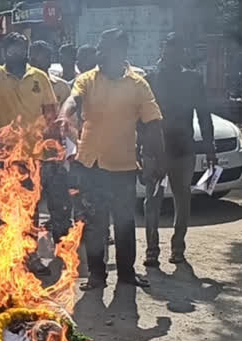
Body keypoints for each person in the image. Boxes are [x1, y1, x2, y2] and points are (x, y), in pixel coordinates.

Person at [58, 28, 165, 290]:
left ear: (121, 52)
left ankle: (127, 274)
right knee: (95, 224)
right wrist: (64, 115)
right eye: (102, 49)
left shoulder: (138, 85)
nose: (103, 54)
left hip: (124, 167)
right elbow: (74, 99)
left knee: (126, 223)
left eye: (111, 49)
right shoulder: (87, 79)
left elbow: (152, 124)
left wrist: (158, 160)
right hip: (91, 165)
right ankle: (97, 275)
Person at [0, 23, 69, 267]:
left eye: (21, 49)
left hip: (33, 156)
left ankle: (30, 256)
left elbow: (51, 116)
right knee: (2, 207)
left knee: (30, 209)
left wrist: (55, 149)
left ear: (26, 50)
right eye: (11, 49)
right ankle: (3, 258)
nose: (16, 53)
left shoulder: (39, 77)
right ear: (4, 50)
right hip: (4, 155)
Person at [143, 33, 215, 267]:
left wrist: (210, 147)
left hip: (183, 148)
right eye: (169, 48)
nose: (173, 54)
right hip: (155, 150)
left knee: (182, 199)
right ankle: (152, 250)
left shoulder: (193, 80)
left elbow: (204, 115)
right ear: (163, 49)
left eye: (178, 49)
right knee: (152, 200)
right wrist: (139, 145)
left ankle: (178, 248)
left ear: (183, 53)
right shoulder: (150, 78)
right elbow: (139, 116)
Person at [30, 40, 71, 105]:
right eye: (33, 59)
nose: (34, 62)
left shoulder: (62, 87)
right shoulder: (23, 85)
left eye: (47, 57)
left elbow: (67, 113)